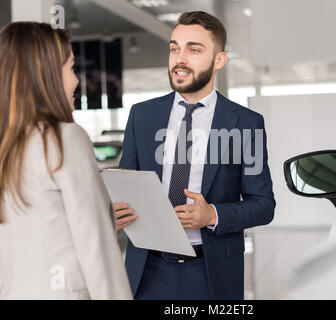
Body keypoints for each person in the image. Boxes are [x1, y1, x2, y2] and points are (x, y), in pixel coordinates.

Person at [116, 11, 275, 300]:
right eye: (175, 48)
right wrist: (114, 211)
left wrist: (212, 214)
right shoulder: (142, 116)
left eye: (194, 49)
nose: (180, 58)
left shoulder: (245, 123)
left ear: (219, 60)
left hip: (211, 272)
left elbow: (264, 205)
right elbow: (125, 188)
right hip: (147, 270)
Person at [0, 22, 132, 300]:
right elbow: (97, 251)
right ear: (45, 74)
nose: (76, 80)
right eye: (71, 67)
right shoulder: (65, 138)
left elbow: (7, 250)